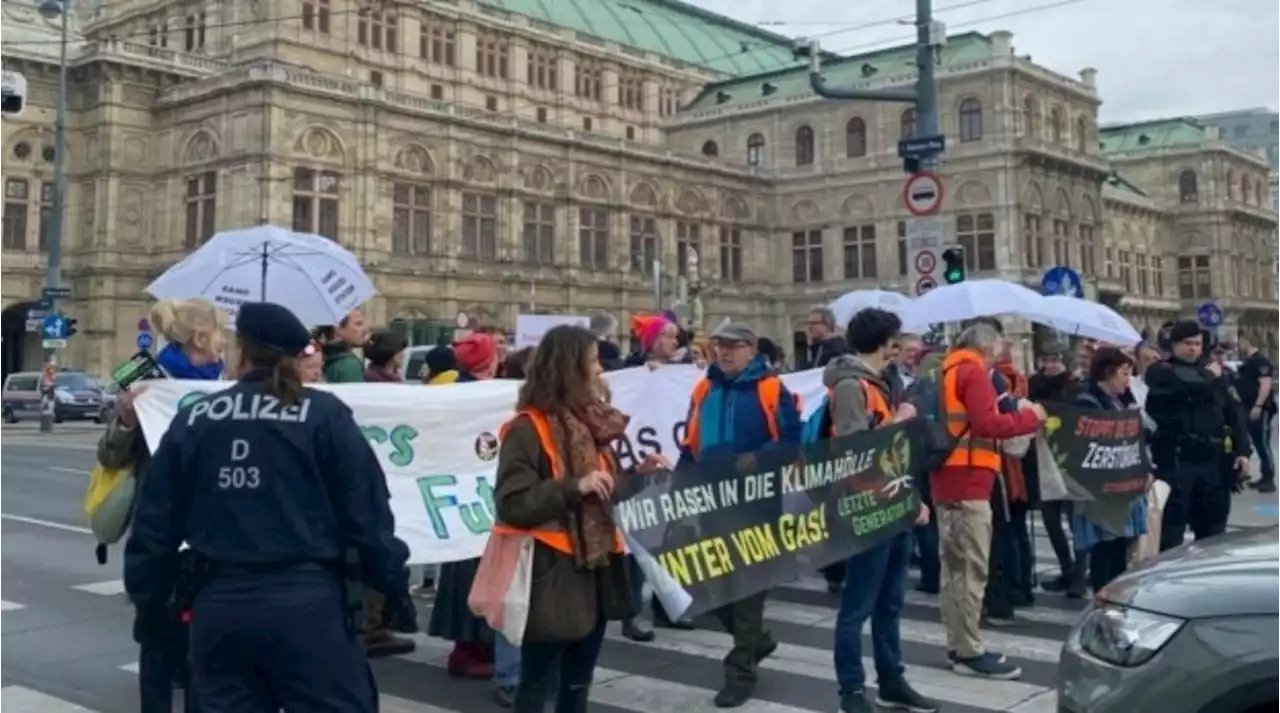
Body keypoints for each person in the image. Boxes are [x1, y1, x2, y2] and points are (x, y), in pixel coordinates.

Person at [123, 302, 414, 713]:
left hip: (220, 609)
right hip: (311, 609)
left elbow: (154, 528)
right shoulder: (325, 416)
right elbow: (368, 517)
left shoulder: (196, 420)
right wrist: (393, 588)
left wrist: (151, 608)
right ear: (298, 358)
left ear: (241, 352)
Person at [494, 325, 665, 713]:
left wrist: (638, 474)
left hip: (598, 566)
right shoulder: (527, 427)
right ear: (570, 368)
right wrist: (575, 486)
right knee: (537, 685)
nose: (601, 370)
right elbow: (512, 504)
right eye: (592, 361)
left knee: (578, 683)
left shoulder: (595, 424)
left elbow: (605, 489)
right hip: (554, 571)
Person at [99, 298, 226, 713]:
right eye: (221, 331)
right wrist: (126, 420)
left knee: (202, 643)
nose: (226, 340)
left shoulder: (225, 379)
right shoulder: (145, 376)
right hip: (161, 528)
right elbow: (109, 457)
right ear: (201, 337)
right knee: (157, 638)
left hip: (213, 526)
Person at [679, 321, 802, 708]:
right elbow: (691, 444)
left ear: (752, 349)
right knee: (708, 587)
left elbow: (792, 441)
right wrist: (679, 490)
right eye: (719, 346)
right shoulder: (704, 389)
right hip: (712, 501)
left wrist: (761, 458)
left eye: (733, 346)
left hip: (755, 505)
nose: (724, 353)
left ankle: (740, 671)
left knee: (746, 590)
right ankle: (757, 642)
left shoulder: (771, 388)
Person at [824, 308, 936, 713]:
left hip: (892, 501)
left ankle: (892, 679)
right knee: (858, 605)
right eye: (895, 339)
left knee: (890, 602)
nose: (900, 346)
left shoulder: (881, 383)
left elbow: (890, 457)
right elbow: (853, 450)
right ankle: (851, 690)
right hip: (864, 507)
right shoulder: (852, 385)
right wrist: (900, 420)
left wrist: (911, 498)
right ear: (884, 341)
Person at [932, 322, 1044, 680]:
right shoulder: (973, 372)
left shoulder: (945, 369)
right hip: (969, 477)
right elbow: (988, 425)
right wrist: (1031, 417)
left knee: (954, 569)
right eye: (999, 345)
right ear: (986, 345)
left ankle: (958, 642)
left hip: (947, 477)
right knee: (971, 569)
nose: (1001, 351)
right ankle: (969, 650)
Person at [430, 331, 501, 679]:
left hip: (461, 496)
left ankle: (472, 645)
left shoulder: (454, 391)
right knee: (474, 574)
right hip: (475, 497)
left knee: (465, 572)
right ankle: (469, 648)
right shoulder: (481, 395)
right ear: (489, 362)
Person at [1145, 320, 1250, 551]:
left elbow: (1234, 413)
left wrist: (1242, 451)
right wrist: (1210, 377)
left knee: (1213, 531)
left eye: (1197, 344)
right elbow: (1184, 385)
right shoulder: (1162, 370)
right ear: (1173, 345)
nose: (1193, 348)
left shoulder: (1214, 373)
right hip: (1178, 460)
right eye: (1187, 343)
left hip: (1213, 461)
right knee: (1171, 533)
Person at [1070, 347, 1149, 591]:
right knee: (1103, 550)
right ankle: (1102, 598)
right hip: (1100, 490)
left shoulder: (1122, 401)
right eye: (1124, 373)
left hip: (1123, 487)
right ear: (1107, 372)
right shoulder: (1088, 401)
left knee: (1120, 549)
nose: (1128, 380)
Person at [1026, 344, 1083, 596]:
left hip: (1068, 458)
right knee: (1050, 519)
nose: (1050, 365)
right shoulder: (1033, 383)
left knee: (1074, 521)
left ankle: (1078, 577)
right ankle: (1067, 568)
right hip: (1043, 456)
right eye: (1046, 360)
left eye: (1055, 360)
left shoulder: (1073, 386)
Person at [1235, 333, 1275, 493]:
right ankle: (1258, 476)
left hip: (1259, 409)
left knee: (1263, 444)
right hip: (1247, 407)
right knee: (1251, 442)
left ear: (1247, 342)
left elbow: (1266, 384)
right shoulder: (1249, 362)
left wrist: (1258, 406)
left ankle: (1269, 479)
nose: (1239, 345)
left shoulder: (1260, 361)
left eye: (1240, 342)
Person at [315, 308, 369, 383]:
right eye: (358, 324)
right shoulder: (349, 365)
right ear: (337, 328)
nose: (365, 329)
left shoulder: (320, 355)